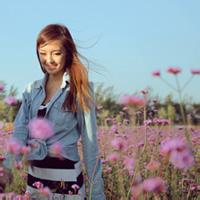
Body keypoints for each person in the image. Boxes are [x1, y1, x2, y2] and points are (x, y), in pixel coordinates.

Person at [1, 23, 106, 200]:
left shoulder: (80, 88)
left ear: (67, 53)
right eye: (43, 53)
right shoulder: (31, 90)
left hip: (67, 186)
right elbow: (19, 132)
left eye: (56, 53)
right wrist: (7, 169)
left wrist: (97, 195)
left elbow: (90, 145)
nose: (49, 60)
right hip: (35, 183)